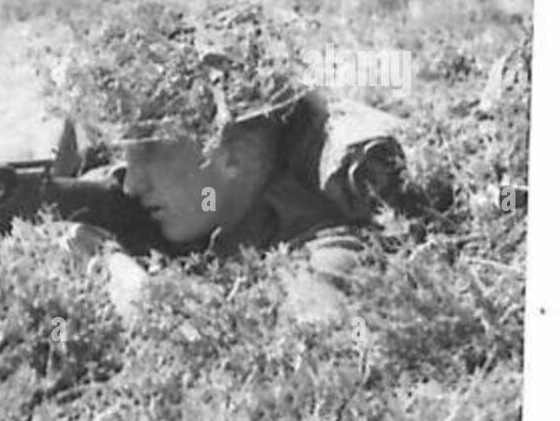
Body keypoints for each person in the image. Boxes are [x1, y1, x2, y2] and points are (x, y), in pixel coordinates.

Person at [59, 86, 410, 324]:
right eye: (128, 155)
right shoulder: (209, 202)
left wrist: (130, 284)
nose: (133, 183)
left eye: (149, 151)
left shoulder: (324, 252)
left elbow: (282, 352)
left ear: (230, 159)